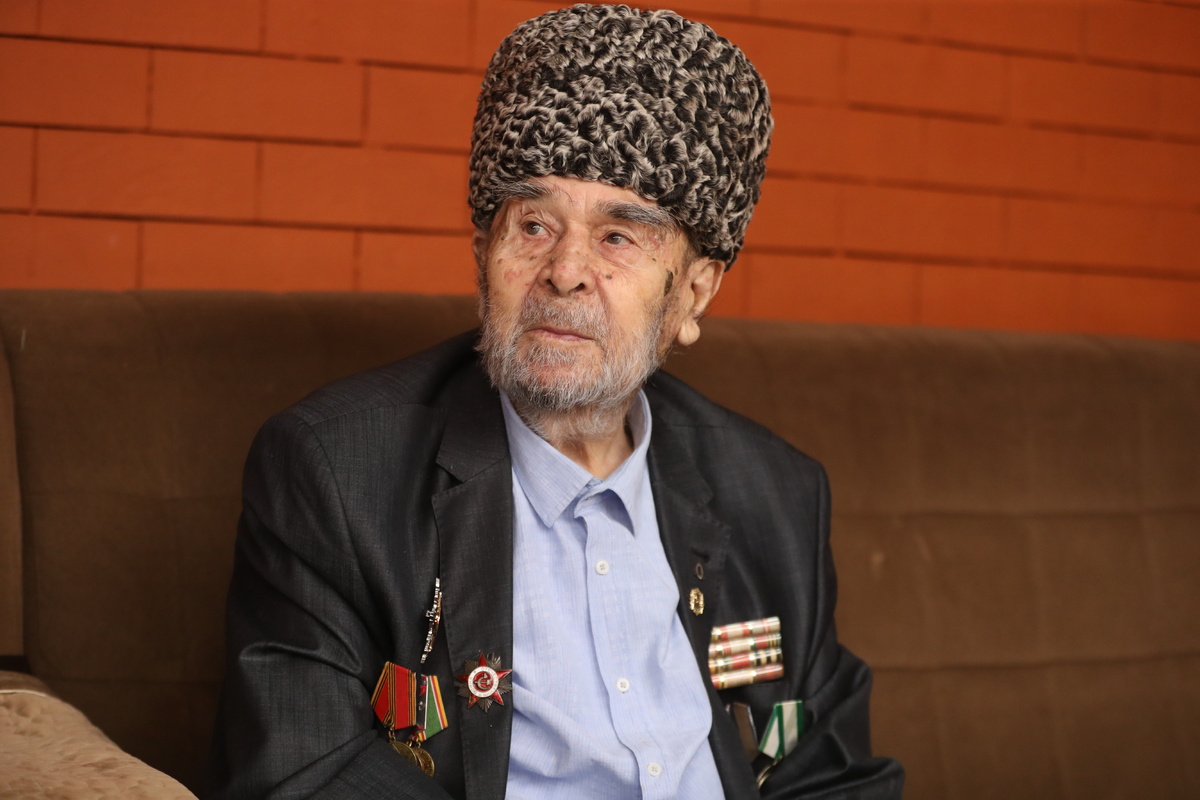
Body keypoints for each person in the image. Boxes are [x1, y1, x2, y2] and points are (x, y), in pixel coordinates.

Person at [205, 5, 903, 799]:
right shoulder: (336, 471)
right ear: (484, 257)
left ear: (692, 295)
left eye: (618, 237)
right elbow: (304, 772)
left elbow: (829, 774)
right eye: (533, 225)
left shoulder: (777, 492)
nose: (565, 272)